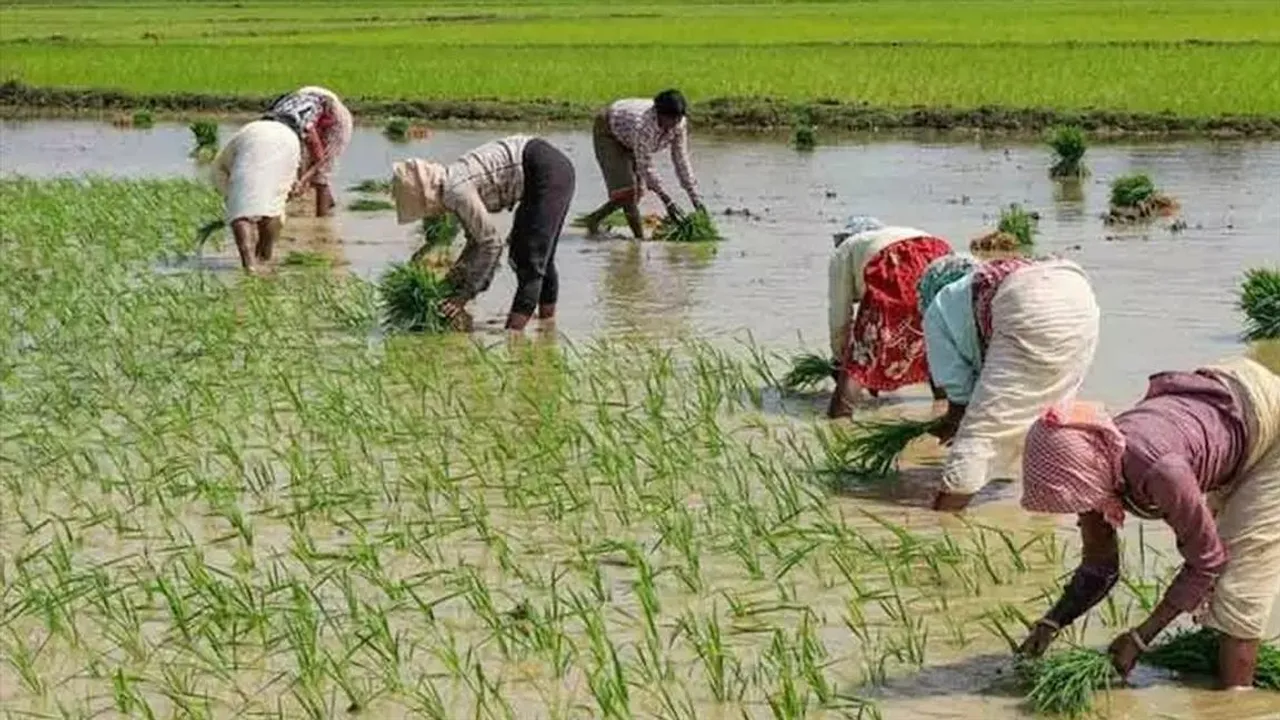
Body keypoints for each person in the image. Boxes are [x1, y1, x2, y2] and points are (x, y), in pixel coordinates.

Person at [1017, 357, 1280, 689]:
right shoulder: (1094, 468)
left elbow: (1207, 561)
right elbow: (1100, 567)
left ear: (1084, 472)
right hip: (1227, 400)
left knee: (1238, 588)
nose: (1079, 509)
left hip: (1269, 425)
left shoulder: (1161, 472)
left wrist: (1141, 638)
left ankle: (1236, 701)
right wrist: (1052, 622)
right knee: (1217, 576)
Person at [919, 255, 1100, 511]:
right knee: (1051, 416)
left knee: (979, 434)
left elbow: (960, 395)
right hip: (1077, 292)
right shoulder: (980, 284)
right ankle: (1053, 509)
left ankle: (943, 519)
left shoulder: (937, 309)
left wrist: (951, 422)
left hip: (1027, 300)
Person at [390, 135, 575, 332]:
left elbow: (491, 244)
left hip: (546, 171)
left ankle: (513, 335)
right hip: (546, 168)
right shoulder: (453, 184)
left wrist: (464, 295)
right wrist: (455, 279)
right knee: (535, 255)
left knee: (530, 258)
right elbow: (475, 242)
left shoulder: (456, 192)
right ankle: (547, 328)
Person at [827, 216, 953, 418]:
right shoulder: (898, 234)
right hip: (939, 256)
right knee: (933, 342)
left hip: (895, 262)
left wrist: (841, 359)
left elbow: (839, 315)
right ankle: (945, 409)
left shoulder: (845, 250)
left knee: (860, 358)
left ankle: (839, 420)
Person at [580, 89, 704, 239]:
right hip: (609, 132)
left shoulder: (679, 124)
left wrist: (696, 200)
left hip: (629, 135)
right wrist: (667, 201)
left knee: (637, 193)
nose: (674, 124)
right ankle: (639, 239)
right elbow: (646, 166)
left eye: (678, 119)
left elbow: (681, 159)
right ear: (659, 114)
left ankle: (594, 220)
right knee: (627, 193)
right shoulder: (643, 126)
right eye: (671, 119)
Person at [212, 118, 302, 273]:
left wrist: (234, 201)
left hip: (252, 147)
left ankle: (249, 265)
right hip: (288, 145)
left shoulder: (247, 132)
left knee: (241, 213)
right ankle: (265, 257)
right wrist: (294, 184)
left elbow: (223, 167)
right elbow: (295, 169)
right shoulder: (290, 135)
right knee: (272, 208)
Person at [261, 86, 353, 218]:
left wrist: (302, 180)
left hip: (333, 113)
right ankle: (329, 203)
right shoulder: (269, 125)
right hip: (307, 99)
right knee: (302, 163)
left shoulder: (305, 127)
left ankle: (322, 220)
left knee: (321, 174)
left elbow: (320, 159)